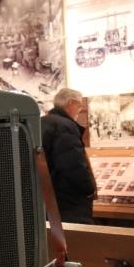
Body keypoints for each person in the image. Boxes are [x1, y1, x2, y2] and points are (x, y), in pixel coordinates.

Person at [42, 88, 97, 224]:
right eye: (79, 105)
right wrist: (89, 189)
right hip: (68, 203)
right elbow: (73, 165)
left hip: (48, 199)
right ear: (71, 103)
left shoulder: (42, 122)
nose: (80, 109)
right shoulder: (65, 126)